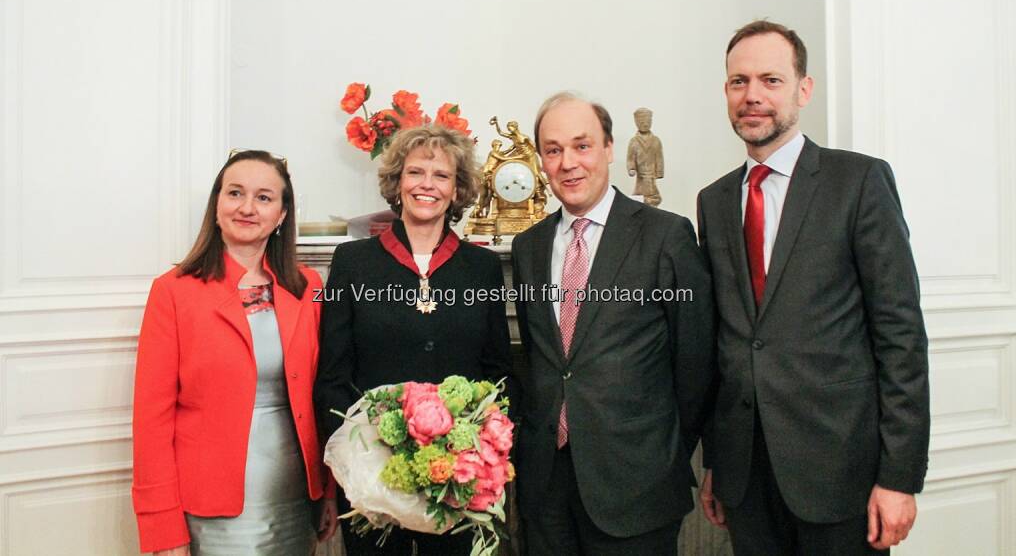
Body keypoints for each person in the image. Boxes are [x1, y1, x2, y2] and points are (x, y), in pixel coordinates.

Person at [697, 20, 930, 555]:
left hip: (841, 476)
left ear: (804, 89)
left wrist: (899, 477)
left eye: (770, 80)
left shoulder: (859, 182)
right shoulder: (712, 202)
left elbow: (900, 335)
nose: (752, 95)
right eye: (738, 82)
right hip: (747, 480)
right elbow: (726, 342)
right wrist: (717, 462)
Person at [510, 91, 715, 556]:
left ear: (608, 148)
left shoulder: (666, 235)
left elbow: (696, 363)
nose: (568, 163)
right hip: (546, 489)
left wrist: (662, 455)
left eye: (582, 146)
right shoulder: (529, 247)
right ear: (541, 159)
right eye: (553, 149)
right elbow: (545, 363)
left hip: (637, 485)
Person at [314, 124, 513, 556]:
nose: (427, 185)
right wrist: (357, 466)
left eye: (441, 175)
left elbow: (498, 372)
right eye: (416, 172)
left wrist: (478, 457)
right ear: (397, 182)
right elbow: (332, 376)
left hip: (459, 485)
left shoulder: (481, 268)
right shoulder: (353, 263)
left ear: (458, 189)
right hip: (373, 485)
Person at [132, 149, 337, 555]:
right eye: (235, 193)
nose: (247, 207)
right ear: (217, 205)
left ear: (281, 215)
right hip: (209, 506)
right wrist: (162, 525)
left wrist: (329, 491)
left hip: (297, 498)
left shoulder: (307, 286)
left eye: (263, 197)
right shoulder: (172, 291)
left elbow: (321, 396)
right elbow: (151, 419)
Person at [626, 107, 664, 206]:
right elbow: (630, 158)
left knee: (654, 196)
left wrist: (659, 172)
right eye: (642, 122)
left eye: (647, 121)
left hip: (651, 175)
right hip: (641, 177)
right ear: (637, 122)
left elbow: (659, 157)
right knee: (639, 196)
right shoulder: (634, 141)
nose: (645, 124)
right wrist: (631, 168)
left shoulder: (656, 140)